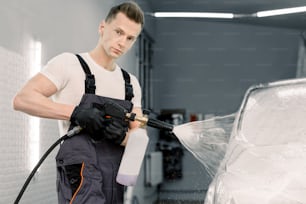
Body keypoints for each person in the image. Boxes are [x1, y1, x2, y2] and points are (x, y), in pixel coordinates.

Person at [13, 1, 144, 204]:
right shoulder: (69, 64)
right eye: (118, 32)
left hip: (113, 174)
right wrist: (75, 113)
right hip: (80, 168)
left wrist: (123, 137)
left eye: (130, 38)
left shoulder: (131, 83)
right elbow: (23, 99)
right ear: (102, 27)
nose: (122, 43)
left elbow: (139, 136)